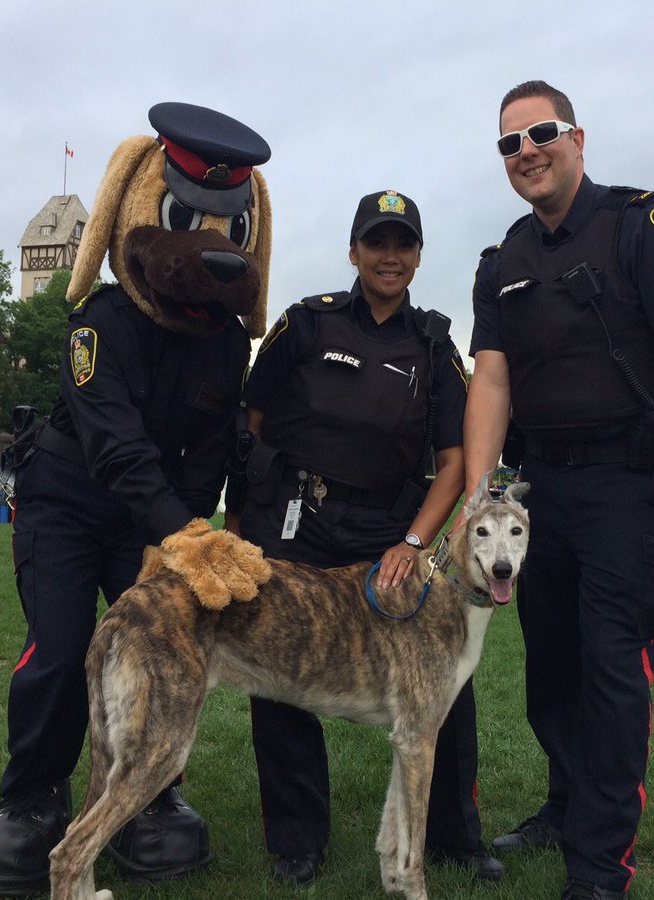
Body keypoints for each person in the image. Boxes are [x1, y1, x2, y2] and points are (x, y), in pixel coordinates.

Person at [0, 105, 267, 897]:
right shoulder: (98, 323)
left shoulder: (228, 340)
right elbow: (112, 442)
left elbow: (211, 451)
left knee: (163, 654)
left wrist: (174, 535)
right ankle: (32, 793)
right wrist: (177, 532)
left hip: (158, 515)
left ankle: (151, 791)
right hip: (68, 500)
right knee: (61, 650)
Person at [462, 80, 654, 899]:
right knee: (553, 675)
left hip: (628, 491)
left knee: (612, 677)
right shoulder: (502, 259)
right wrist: (479, 497)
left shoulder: (639, 224)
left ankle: (599, 870)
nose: (525, 152)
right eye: (509, 144)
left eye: (539, 134)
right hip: (542, 497)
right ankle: (567, 802)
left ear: (577, 136)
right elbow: (492, 382)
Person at [231, 189, 502, 887]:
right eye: (376, 243)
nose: (390, 257)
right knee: (281, 672)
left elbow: (454, 465)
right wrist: (241, 527)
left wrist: (413, 542)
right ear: (353, 251)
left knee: (443, 684)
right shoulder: (305, 325)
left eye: (403, 244)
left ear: (417, 256)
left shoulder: (434, 344)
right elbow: (250, 424)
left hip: (391, 531)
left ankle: (453, 836)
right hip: (299, 519)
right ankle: (297, 840)